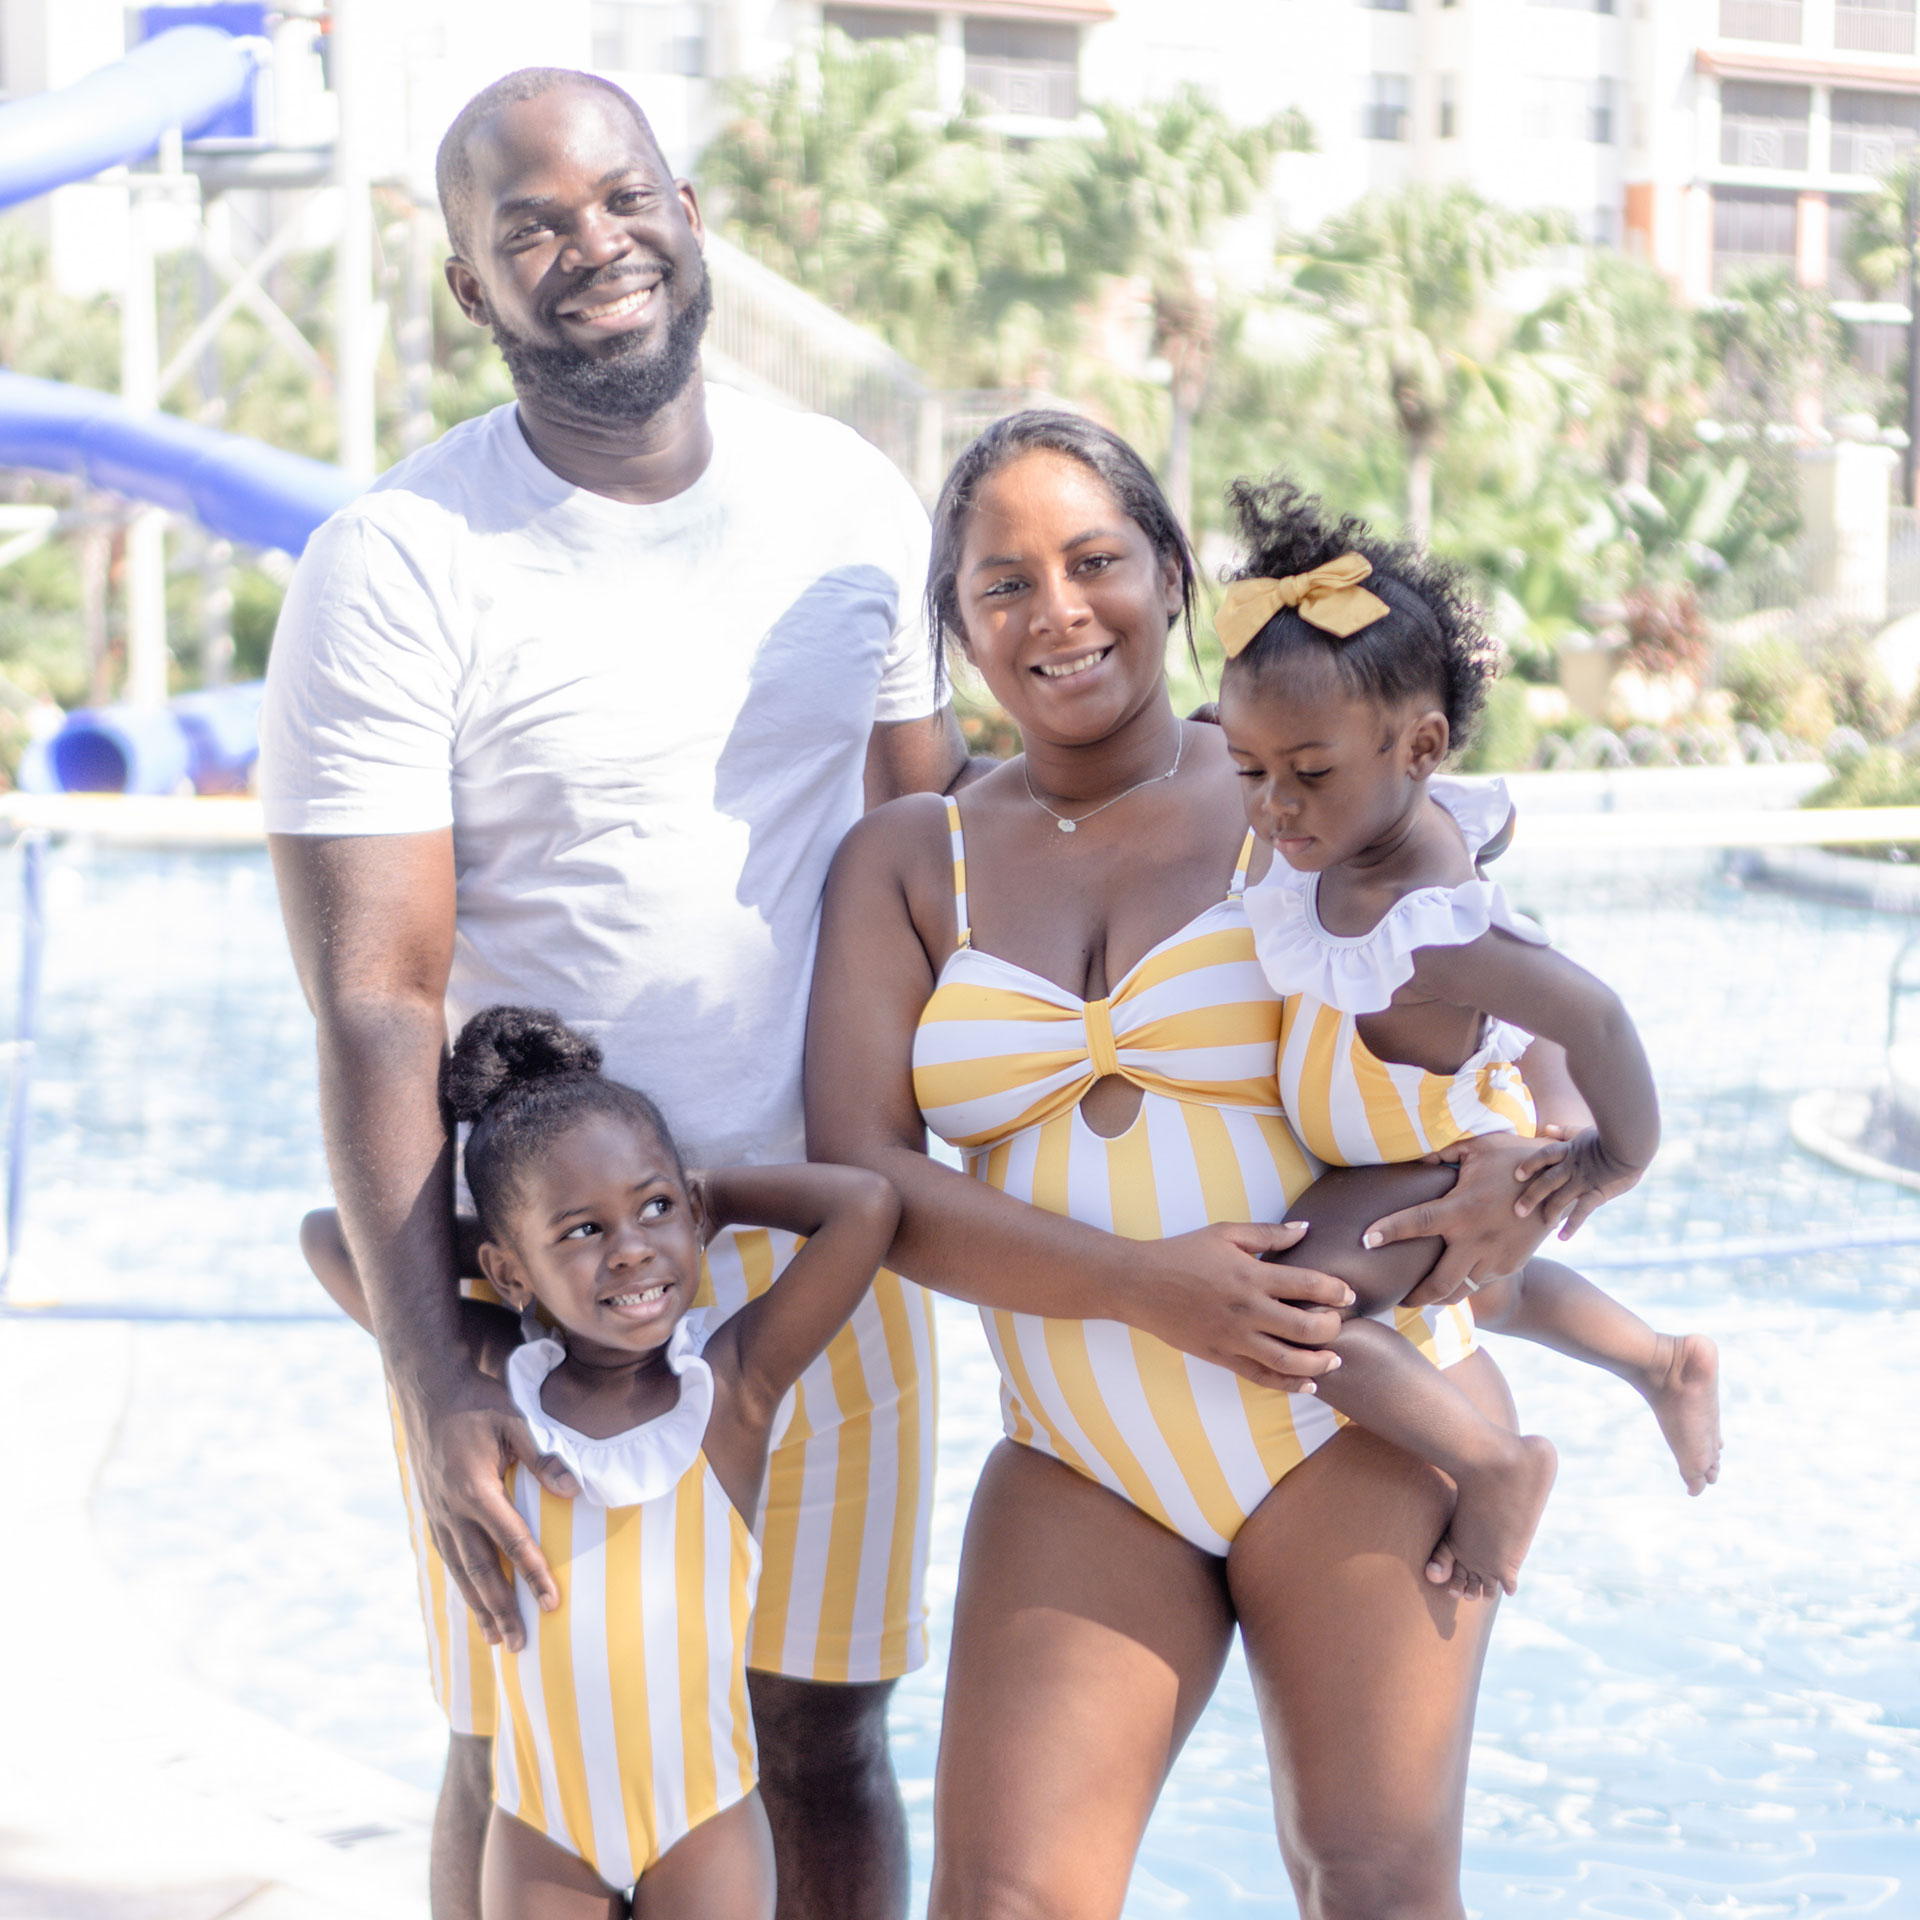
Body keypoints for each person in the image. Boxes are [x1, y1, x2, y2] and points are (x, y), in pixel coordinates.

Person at [261, 66, 976, 1920]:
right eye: (534, 226)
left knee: (823, 1731)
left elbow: (936, 855)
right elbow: (373, 1002)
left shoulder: (847, 498)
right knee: (523, 1743)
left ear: (689, 213)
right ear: (472, 289)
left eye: (625, 196)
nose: (597, 246)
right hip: (540, 1289)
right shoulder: (397, 563)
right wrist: (438, 1381)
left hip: (825, 1243)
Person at [805, 410, 1597, 1919]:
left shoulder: (1295, 788)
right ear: (958, 631)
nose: (1058, 611)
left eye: (1095, 560)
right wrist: (1145, 1289)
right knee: (1003, 1904)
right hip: (1086, 1452)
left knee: (1368, 1882)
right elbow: (865, 1180)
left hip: (1348, 1423)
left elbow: (1528, 1028)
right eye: (1003, 584)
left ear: (1172, 578)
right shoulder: (912, 859)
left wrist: (1532, 1160)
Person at [1213, 478, 1722, 1601]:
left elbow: (1591, 1012)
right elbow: (1278, 743)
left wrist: (1610, 1157)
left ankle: (1496, 1463)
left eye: (1307, 774)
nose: (1273, 807)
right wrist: (1255, 742)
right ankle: (1659, 1360)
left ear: (1422, 745)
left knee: (1300, 1307)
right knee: (1492, 1291)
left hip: (1426, 1155)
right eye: (1250, 770)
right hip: (1412, 1125)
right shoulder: (1361, 827)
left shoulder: (1427, 927)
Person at [304, 1007, 900, 1920]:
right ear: (509, 1273)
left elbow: (865, 1207)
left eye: (654, 1207)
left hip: (704, 1820)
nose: (630, 1248)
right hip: (545, 1830)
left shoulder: (729, 1389)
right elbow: (326, 1235)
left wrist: (708, 1200)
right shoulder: (496, 1383)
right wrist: (515, 1254)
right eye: (583, 1230)